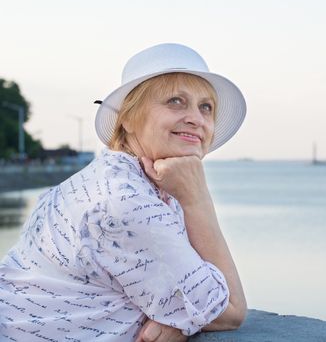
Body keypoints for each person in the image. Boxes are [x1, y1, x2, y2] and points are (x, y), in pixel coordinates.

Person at [0, 43, 247, 341]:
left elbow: (158, 277)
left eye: (206, 107)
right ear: (127, 119)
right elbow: (230, 310)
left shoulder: (120, 179)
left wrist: (174, 319)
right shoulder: (127, 201)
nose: (197, 118)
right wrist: (198, 199)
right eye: (176, 101)